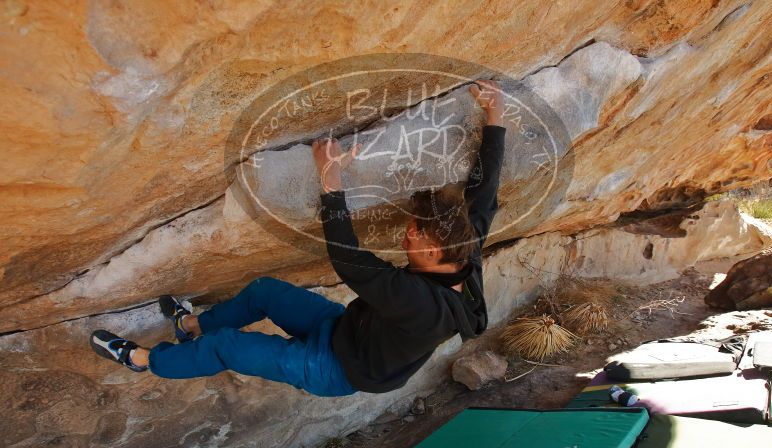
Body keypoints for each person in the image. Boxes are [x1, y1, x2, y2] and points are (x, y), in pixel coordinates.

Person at [89, 80, 506, 397]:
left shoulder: (422, 305)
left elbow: (348, 259)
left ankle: (144, 359)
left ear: (433, 250)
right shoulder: (463, 252)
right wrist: (496, 116)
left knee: (229, 347)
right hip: (347, 330)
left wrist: (331, 178)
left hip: (336, 369)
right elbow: (483, 195)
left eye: (415, 232)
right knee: (265, 293)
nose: (407, 232)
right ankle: (189, 324)